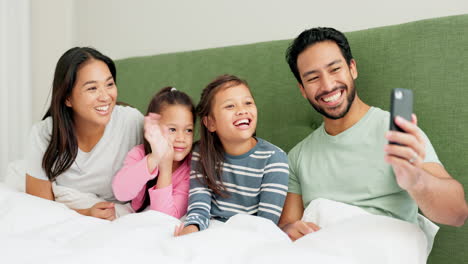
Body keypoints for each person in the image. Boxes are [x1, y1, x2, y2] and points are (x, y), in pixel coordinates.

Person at [279, 27, 468, 241]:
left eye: (335, 69)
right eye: (313, 78)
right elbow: (287, 228)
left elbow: (458, 214)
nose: (328, 85)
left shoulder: (397, 133)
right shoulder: (296, 157)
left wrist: (416, 180)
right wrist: (289, 231)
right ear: (303, 89)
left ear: (352, 68)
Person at [25, 47, 143, 221]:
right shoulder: (44, 134)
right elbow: (40, 208)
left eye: (109, 84)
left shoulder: (132, 122)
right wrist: (86, 214)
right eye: (92, 88)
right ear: (68, 98)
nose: (105, 97)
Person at [174, 74, 289, 236]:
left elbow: (267, 224)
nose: (242, 110)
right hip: (210, 229)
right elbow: (199, 206)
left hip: (251, 233)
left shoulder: (274, 158)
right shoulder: (201, 153)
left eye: (248, 103)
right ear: (210, 123)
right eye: (230, 106)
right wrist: (191, 229)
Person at [112, 87, 195, 218]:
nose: (181, 138)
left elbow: (163, 217)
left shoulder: (192, 169)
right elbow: (121, 193)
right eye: (172, 129)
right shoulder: (139, 154)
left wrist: (165, 168)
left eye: (188, 130)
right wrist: (155, 158)